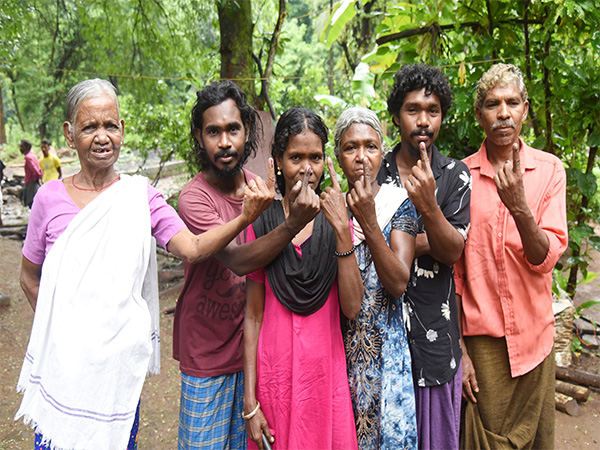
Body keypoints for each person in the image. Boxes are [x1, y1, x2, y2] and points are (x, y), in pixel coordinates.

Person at [15, 78, 272, 450]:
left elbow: (194, 248)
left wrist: (244, 218)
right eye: (89, 127)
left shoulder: (140, 197)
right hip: (62, 368)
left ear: (122, 130)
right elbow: (28, 277)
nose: (101, 136)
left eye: (109, 126)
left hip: (116, 372)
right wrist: (60, 335)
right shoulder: (48, 199)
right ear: (70, 135)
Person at [175, 82, 318, 450]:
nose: (225, 142)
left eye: (233, 129)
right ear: (199, 136)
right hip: (208, 355)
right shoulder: (194, 198)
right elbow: (238, 261)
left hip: (257, 354)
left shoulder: (261, 188)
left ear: (248, 132)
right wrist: (277, 222)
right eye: (213, 131)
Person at [455, 63, 568, 449]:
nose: (503, 112)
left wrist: (520, 207)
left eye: (512, 103)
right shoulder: (460, 177)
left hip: (535, 336)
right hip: (483, 343)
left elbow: (546, 258)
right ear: (479, 114)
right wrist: (461, 352)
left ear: (525, 108)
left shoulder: (549, 171)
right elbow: (453, 276)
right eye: (492, 104)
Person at [243, 107, 362, 450]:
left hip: (324, 377)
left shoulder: (337, 219)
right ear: (278, 160)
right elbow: (252, 316)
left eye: (316, 157)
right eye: (296, 157)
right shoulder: (262, 222)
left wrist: (341, 230)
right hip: (275, 376)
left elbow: (352, 307)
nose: (307, 168)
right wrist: (250, 401)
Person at [378, 64, 471, 450]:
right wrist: (425, 237)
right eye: (413, 109)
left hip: (434, 338)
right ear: (396, 115)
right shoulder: (374, 170)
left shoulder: (454, 175)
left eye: (433, 111)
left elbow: (452, 249)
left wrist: (429, 209)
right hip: (380, 336)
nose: (423, 121)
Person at [336, 106, 419, 449]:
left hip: (389, 354)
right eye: (350, 147)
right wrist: (345, 223)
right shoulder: (332, 210)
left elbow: (398, 283)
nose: (361, 157)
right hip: (340, 355)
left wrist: (368, 221)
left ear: (382, 152)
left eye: (370, 146)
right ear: (337, 156)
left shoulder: (398, 204)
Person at [20, 139, 43, 207]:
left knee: (32, 205)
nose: (20, 149)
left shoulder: (28, 157)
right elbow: (39, 169)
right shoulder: (33, 156)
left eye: (22, 146)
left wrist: (38, 175)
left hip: (31, 184)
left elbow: (35, 170)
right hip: (35, 182)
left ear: (27, 147)